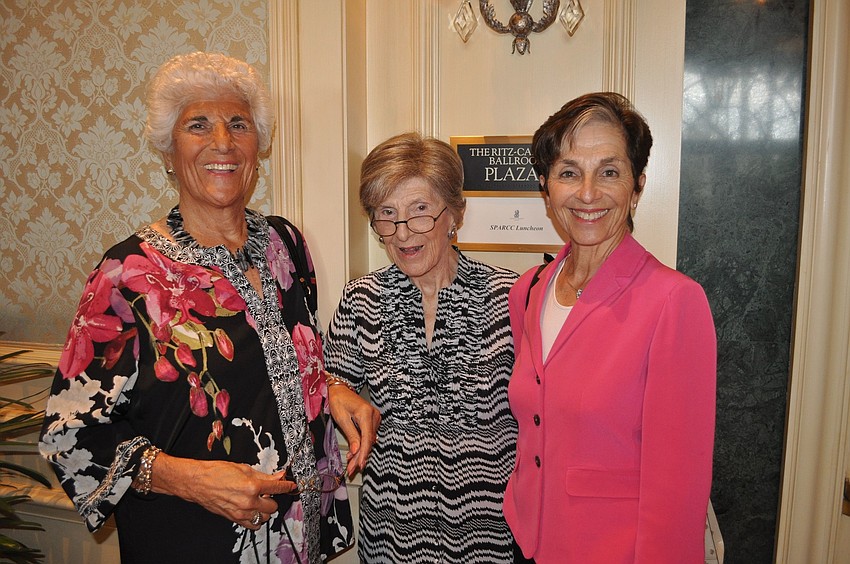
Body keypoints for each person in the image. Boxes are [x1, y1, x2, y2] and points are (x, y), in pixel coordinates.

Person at [39, 52, 353, 564]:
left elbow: (297, 360)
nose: (223, 142)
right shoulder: (126, 275)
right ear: (167, 151)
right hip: (190, 541)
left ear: (259, 145)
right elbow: (67, 434)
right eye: (198, 125)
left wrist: (334, 389)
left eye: (238, 124)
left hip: (298, 541)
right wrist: (189, 479)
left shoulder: (285, 244)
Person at [505, 92, 716, 563]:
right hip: (529, 541)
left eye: (609, 172)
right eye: (568, 173)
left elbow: (678, 488)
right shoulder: (529, 290)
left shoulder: (674, 302)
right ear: (545, 188)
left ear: (637, 187)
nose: (587, 193)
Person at [321, 132, 520, 563]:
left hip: (493, 541)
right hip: (392, 539)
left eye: (421, 211)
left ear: (456, 214)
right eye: (386, 215)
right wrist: (335, 388)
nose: (402, 232)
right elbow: (326, 380)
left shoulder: (511, 297)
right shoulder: (361, 299)